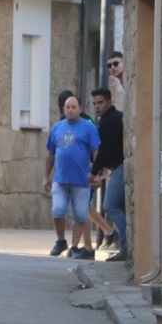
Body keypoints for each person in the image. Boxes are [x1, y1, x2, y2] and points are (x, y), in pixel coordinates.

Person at [44, 95, 101, 259]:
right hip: (60, 179)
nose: (70, 110)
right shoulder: (57, 128)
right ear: (63, 109)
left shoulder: (89, 128)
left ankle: (74, 247)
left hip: (82, 180)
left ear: (80, 109)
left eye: (73, 107)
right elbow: (50, 154)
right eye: (67, 107)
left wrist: (97, 173)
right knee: (58, 209)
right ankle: (61, 241)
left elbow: (96, 152)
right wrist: (46, 176)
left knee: (81, 215)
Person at [88, 87, 126, 261]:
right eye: (94, 103)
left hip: (120, 166)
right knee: (119, 208)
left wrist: (94, 172)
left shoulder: (111, 120)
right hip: (116, 167)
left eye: (100, 102)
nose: (97, 106)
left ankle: (126, 245)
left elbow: (104, 149)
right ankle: (126, 244)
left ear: (109, 102)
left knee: (110, 206)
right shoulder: (109, 119)